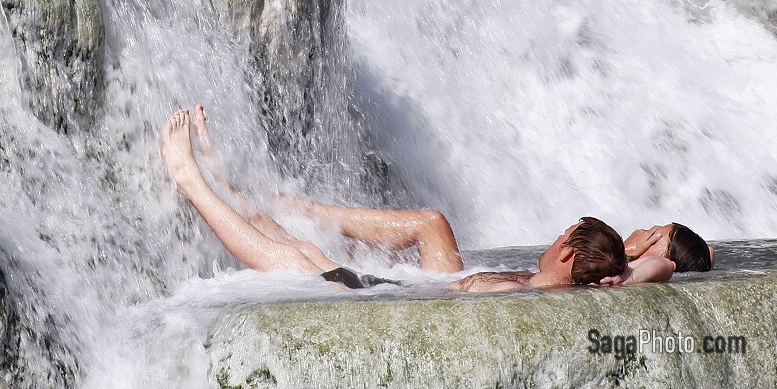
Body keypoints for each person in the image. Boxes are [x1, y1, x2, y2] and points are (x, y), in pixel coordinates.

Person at [160, 106, 627, 292]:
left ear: (567, 251)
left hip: (404, 296)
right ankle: (223, 182)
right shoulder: (558, 281)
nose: (553, 238)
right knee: (307, 250)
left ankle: (192, 180)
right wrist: (618, 273)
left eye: (562, 235)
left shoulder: (545, 286)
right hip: (427, 287)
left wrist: (620, 272)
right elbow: (650, 266)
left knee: (291, 257)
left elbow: (660, 265)